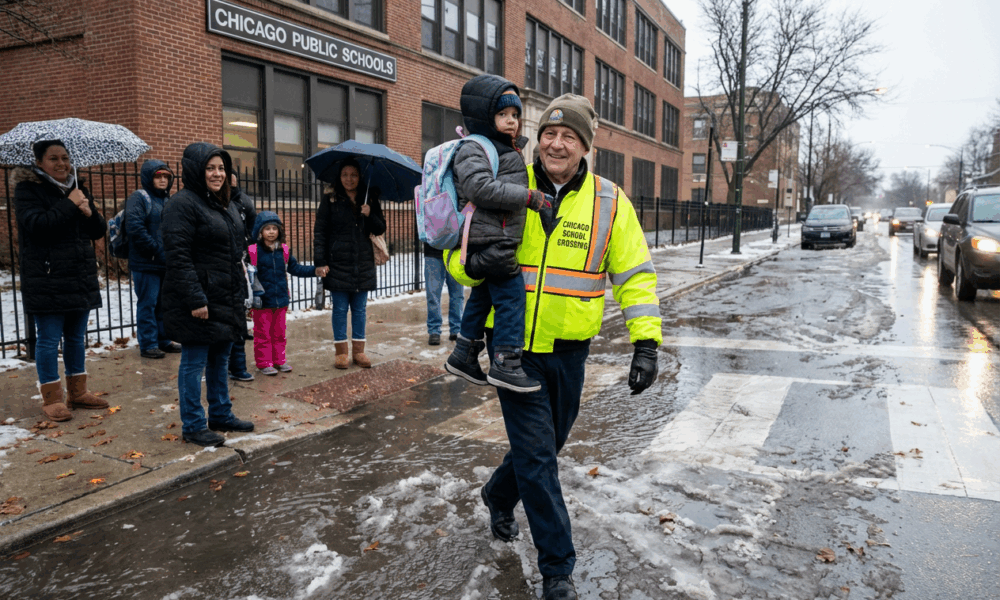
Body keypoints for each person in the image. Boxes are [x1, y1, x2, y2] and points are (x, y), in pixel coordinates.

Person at [445, 95, 662, 600]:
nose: (556, 143)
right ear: (538, 138)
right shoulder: (506, 181)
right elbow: (455, 254)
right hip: (512, 353)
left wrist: (645, 342)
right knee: (539, 458)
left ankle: (498, 494)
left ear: (585, 145)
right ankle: (558, 570)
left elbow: (635, 277)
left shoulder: (610, 201)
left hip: (570, 352)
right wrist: (472, 266)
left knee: (546, 447)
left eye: (569, 136)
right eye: (549, 133)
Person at [443, 74, 550, 393]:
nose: (512, 121)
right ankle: (506, 362)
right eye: (503, 114)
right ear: (484, 116)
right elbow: (479, 187)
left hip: (495, 236)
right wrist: (529, 197)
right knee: (512, 297)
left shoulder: (501, 148)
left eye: (516, 115)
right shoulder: (475, 147)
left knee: (485, 295)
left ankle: (463, 353)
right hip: (490, 238)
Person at [161, 142, 254, 447]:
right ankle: (193, 424)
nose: (217, 174)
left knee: (220, 358)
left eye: (221, 168)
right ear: (196, 170)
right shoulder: (182, 204)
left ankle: (220, 414)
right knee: (194, 362)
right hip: (199, 299)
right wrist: (195, 299)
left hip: (225, 296)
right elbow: (178, 256)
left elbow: (234, 250)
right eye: (211, 168)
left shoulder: (222, 203)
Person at [13, 139, 109, 421]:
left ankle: (78, 392)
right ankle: (52, 397)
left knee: (76, 338)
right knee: (48, 339)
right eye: (53, 158)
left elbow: (97, 230)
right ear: (39, 163)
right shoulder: (28, 190)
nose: (61, 164)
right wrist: (69, 204)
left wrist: (89, 212)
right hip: (47, 277)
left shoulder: (78, 188)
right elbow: (38, 227)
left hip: (78, 276)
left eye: (65, 158)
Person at [313, 158, 386, 370]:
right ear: (339, 176)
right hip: (338, 263)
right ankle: (341, 353)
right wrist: (321, 261)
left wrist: (369, 213)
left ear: (359, 177)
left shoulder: (369, 198)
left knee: (360, 309)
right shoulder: (330, 199)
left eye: (353, 175)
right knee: (339, 309)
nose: (349, 179)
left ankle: (359, 351)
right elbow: (320, 231)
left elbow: (380, 228)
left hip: (362, 263)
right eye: (345, 174)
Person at [248, 211, 318, 375]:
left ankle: (279, 360)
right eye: (267, 229)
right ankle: (264, 362)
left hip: (281, 300)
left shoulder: (284, 250)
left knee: (279, 333)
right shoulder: (253, 251)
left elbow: (296, 268)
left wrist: (315, 270)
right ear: (260, 231)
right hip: (262, 301)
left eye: (274, 228)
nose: (271, 232)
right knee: (263, 334)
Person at [126, 160, 181, 359]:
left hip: (164, 262)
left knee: (163, 303)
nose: (163, 180)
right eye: (158, 176)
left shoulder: (167, 200)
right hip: (145, 262)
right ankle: (148, 343)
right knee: (147, 303)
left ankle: (163, 340)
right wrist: (157, 250)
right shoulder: (139, 198)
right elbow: (135, 229)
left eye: (166, 176)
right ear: (149, 178)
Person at [227, 172, 257, 382]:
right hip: (214, 269)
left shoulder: (243, 202)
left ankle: (237, 366)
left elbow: (253, 228)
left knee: (238, 314)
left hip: (240, 263)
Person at [423, 241, 464, 345]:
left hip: (455, 251)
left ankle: (456, 329)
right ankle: (434, 331)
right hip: (433, 251)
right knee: (433, 295)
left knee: (457, 294)